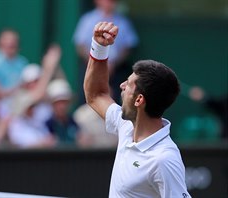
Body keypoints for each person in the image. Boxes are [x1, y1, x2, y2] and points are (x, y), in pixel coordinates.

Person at [84, 22, 191, 197]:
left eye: (128, 85)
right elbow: (95, 95)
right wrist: (99, 47)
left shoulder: (163, 159)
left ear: (139, 100)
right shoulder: (127, 126)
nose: (121, 86)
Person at [73, 0, 139, 104]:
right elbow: (80, 45)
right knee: (88, 99)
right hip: (91, 68)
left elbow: (128, 46)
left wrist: (112, 64)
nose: (109, 3)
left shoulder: (123, 21)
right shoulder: (87, 19)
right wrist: (96, 62)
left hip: (116, 71)